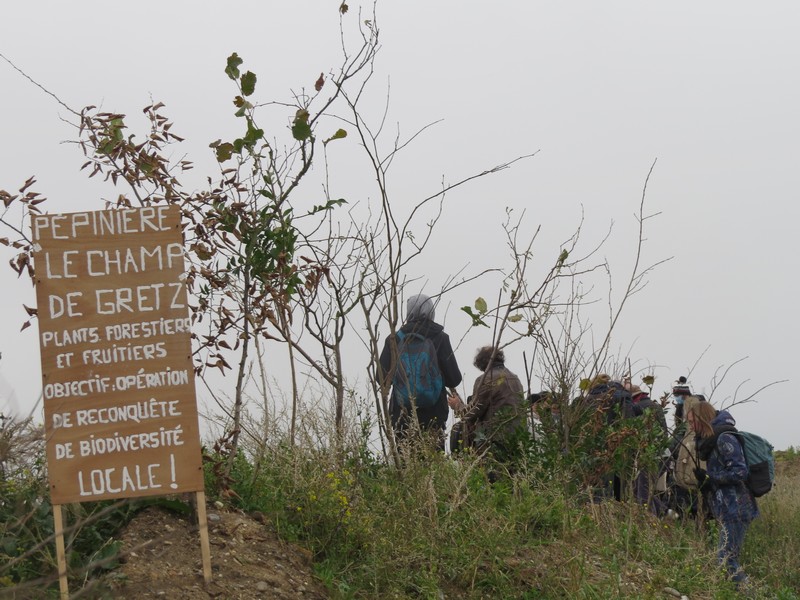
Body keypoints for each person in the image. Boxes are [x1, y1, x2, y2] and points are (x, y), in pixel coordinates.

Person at [688, 401, 759, 587]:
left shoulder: (724, 438)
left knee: (727, 560)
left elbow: (740, 472)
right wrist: (706, 483)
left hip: (737, 507)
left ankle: (751, 595)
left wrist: (711, 478)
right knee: (725, 558)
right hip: (728, 508)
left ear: (702, 419)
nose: (690, 426)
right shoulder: (711, 442)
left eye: (692, 421)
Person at [379, 294, 462, 448]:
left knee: (406, 463)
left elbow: (382, 379)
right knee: (433, 465)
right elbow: (454, 379)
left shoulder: (394, 339)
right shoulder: (440, 338)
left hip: (402, 413)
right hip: (434, 413)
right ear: (431, 311)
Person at [447, 346, 527, 465]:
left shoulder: (485, 379)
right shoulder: (514, 378)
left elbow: (473, 413)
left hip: (494, 439)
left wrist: (457, 406)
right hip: (517, 437)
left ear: (481, 363)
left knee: (493, 478)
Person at [629, 385, 669, 515]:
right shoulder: (655, 406)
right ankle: (664, 512)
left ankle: (651, 519)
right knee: (641, 488)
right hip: (663, 454)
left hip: (651, 455)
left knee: (643, 492)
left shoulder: (639, 408)